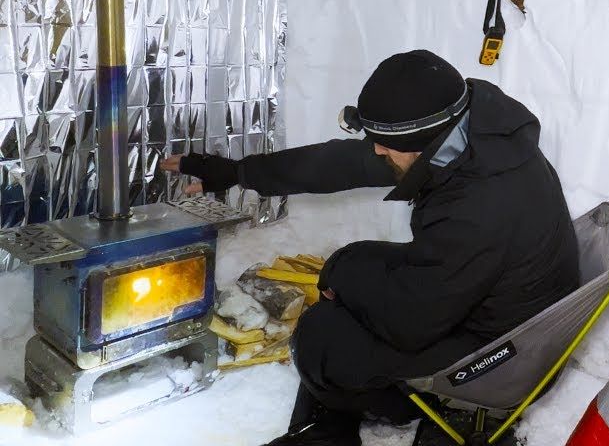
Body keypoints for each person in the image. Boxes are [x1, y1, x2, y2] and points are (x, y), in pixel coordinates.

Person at [161, 49, 580, 446]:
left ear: (422, 141)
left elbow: (410, 323)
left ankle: (390, 405)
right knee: (356, 263)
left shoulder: (478, 205)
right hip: (491, 299)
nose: (377, 150)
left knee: (320, 338)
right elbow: (343, 163)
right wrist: (237, 172)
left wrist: (339, 277)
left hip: (503, 355)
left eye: (384, 143)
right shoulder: (474, 137)